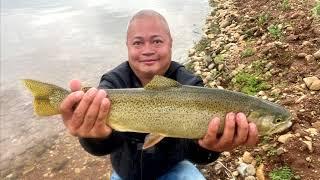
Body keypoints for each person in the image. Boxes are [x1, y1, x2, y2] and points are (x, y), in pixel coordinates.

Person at [60, 10, 258, 180]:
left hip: (174, 168)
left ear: (171, 43)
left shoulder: (189, 84)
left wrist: (208, 148)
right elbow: (103, 147)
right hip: (125, 173)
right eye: (138, 43)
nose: (147, 50)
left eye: (156, 41)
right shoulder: (113, 83)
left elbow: (195, 152)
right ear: (127, 46)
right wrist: (94, 138)